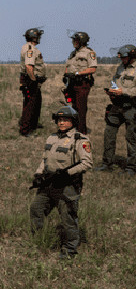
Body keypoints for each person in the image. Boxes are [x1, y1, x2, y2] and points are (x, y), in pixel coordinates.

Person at [29, 106, 93, 259]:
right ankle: (38, 240)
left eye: (65, 120)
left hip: (67, 185)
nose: (61, 122)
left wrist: (67, 173)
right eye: (59, 120)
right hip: (48, 183)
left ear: (73, 121)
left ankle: (70, 249)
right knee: (36, 209)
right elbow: (45, 159)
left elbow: (87, 163)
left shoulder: (80, 139)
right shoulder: (51, 137)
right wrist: (38, 173)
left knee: (67, 218)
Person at [94, 44, 136, 175]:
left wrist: (124, 91)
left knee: (131, 137)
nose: (122, 60)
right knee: (109, 134)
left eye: (125, 57)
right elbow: (115, 81)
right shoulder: (120, 68)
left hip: (132, 107)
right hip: (116, 106)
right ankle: (107, 163)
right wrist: (112, 90)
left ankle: (131, 167)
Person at [62, 32, 97, 134]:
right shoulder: (73, 53)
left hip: (82, 83)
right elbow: (68, 66)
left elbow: (92, 69)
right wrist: (66, 76)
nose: (73, 42)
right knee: (74, 106)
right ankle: (74, 128)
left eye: (75, 40)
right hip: (72, 83)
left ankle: (81, 131)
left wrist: (78, 73)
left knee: (81, 108)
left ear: (81, 41)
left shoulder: (89, 53)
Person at [19, 27, 46, 137]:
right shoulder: (30, 49)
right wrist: (34, 80)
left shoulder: (28, 47)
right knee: (30, 104)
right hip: (30, 80)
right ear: (34, 37)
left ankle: (33, 123)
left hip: (31, 79)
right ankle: (25, 129)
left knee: (36, 102)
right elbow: (29, 66)